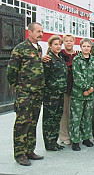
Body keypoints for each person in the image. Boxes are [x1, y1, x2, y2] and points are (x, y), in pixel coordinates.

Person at [6, 22, 45, 166]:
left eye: (41, 31)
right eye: (38, 31)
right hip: (25, 93)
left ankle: (30, 150)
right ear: (30, 32)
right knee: (22, 123)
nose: (40, 34)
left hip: (37, 92)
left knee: (33, 122)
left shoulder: (39, 48)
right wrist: (17, 87)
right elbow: (11, 70)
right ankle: (19, 154)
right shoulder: (20, 49)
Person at [70, 38, 94, 151]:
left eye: (88, 46)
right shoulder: (77, 59)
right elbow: (77, 77)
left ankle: (86, 138)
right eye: (84, 46)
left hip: (90, 95)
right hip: (78, 94)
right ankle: (75, 140)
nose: (86, 48)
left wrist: (91, 89)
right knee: (76, 118)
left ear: (91, 48)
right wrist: (86, 88)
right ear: (80, 47)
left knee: (87, 117)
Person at [42, 35, 68, 151]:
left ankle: (54, 141)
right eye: (55, 44)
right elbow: (44, 77)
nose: (58, 47)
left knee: (57, 118)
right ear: (50, 46)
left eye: (59, 44)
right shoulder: (48, 59)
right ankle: (49, 143)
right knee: (49, 119)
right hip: (50, 95)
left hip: (60, 93)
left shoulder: (60, 58)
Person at [59, 34, 78, 145]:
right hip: (65, 88)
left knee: (74, 113)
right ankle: (64, 136)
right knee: (65, 113)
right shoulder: (60, 54)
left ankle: (73, 134)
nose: (68, 43)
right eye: (66, 41)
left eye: (70, 41)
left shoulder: (77, 55)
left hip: (76, 88)